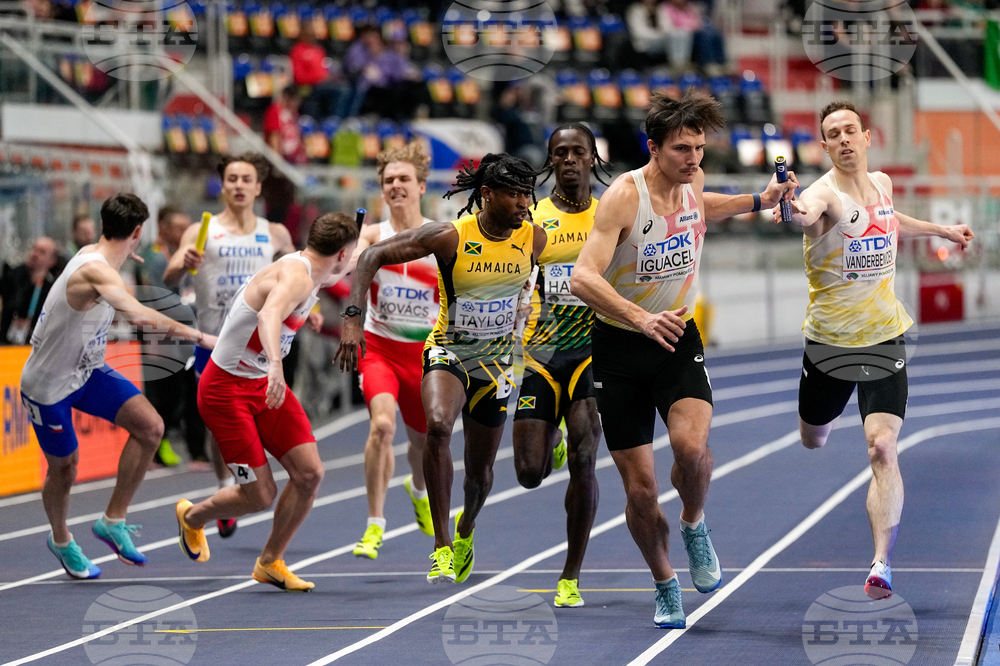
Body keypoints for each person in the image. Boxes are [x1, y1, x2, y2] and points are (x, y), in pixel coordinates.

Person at [570, 89, 795, 627]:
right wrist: (638, 316)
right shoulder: (624, 197)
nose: (693, 159)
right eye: (681, 150)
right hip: (622, 347)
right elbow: (581, 277)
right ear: (654, 148)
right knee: (642, 491)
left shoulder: (691, 181)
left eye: (698, 148)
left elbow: (703, 205)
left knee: (691, 449)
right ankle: (663, 580)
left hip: (678, 338)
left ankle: (694, 522)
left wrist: (758, 201)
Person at [774, 101, 975, 600]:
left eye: (849, 131)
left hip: (884, 334)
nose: (842, 139)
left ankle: (881, 562)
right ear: (824, 146)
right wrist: (789, 205)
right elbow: (803, 216)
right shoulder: (823, 195)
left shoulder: (882, 183)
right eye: (832, 134)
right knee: (813, 438)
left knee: (882, 447)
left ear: (866, 136)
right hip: (830, 345)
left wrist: (942, 231)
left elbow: (889, 218)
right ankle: (826, 414)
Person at [338, 154, 546, 584]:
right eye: (514, 194)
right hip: (448, 350)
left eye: (528, 193)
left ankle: (467, 526)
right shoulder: (449, 236)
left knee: (480, 475)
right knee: (436, 426)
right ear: (486, 194)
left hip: (497, 365)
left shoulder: (535, 239)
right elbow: (371, 255)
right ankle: (442, 544)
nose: (524, 203)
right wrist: (353, 317)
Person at [19, 193, 216, 580]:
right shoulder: (96, 270)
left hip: (87, 371)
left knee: (151, 428)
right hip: (49, 385)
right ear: (139, 232)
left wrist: (127, 254)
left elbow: (105, 255)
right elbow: (139, 314)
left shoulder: (102, 253)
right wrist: (199, 336)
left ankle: (113, 520)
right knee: (66, 468)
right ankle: (61, 540)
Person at [175, 212, 358, 592]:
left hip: (260, 385)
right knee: (259, 495)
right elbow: (268, 314)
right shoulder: (297, 275)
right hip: (226, 391)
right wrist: (276, 364)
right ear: (342, 253)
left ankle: (270, 562)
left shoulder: (322, 269)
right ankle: (193, 517)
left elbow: (365, 252)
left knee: (310, 475)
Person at [164, 152, 295, 538]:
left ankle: (239, 481)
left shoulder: (274, 234)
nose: (238, 185)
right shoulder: (200, 231)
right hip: (214, 343)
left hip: (260, 344)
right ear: (223, 186)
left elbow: (299, 281)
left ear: (257, 187)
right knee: (222, 423)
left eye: (246, 179)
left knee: (256, 419)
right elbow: (172, 274)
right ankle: (226, 487)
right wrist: (183, 262)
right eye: (232, 178)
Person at [511, 123, 610, 609]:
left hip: (593, 352)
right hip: (542, 354)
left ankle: (570, 574)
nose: (569, 159)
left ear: (593, 157)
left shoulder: (610, 213)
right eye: (560, 153)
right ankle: (546, 441)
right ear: (550, 161)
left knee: (585, 457)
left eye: (578, 152)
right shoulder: (533, 218)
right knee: (529, 474)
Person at [349, 142, 440, 559]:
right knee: (381, 427)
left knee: (424, 442)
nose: (396, 186)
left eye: (404, 179)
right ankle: (374, 524)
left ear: (421, 185)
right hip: (381, 350)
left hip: (424, 355)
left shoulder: (440, 237)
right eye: (389, 181)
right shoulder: (370, 235)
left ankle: (418, 489)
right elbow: (340, 270)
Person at [135, 206, 208, 470]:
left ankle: (198, 452)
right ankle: (155, 449)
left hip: (189, 337)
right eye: (179, 227)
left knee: (193, 394)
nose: (186, 233)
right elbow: (154, 298)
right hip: (162, 339)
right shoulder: (154, 258)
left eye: (188, 227)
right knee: (166, 396)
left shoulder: (190, 256)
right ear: (163, 228)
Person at [0, 236, 61, 345]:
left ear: (52, 261)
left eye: (42, 252)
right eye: (34, 249)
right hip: (6, 343)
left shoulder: (53, 287)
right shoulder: (12, 276)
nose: (35, 254)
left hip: (35, 346)